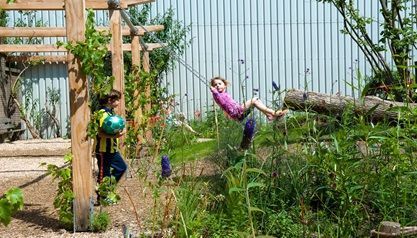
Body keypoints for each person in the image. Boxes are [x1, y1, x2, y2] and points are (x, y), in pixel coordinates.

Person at [94, 89, 127, 203]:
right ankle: (102, 197)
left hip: (112, 149)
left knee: (121, 168)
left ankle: (106, 190)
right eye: (117, 99)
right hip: (103, 150)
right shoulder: (102, 114)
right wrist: (115, 136)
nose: (118, 102)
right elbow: (100, 132)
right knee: (104, 173)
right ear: (109, 100)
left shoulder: (110, 113)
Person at [210, 76, 288, 121]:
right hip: (237, 112)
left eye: (219, 84)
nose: (217, 85)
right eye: (215, 85)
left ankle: (269, 116)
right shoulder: (217, 96)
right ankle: (274, 113)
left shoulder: (224, 94)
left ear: (225, 85)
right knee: (253, 100)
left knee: (256, 100)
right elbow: (221, 101)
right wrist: (214, 92)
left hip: (238, 111)